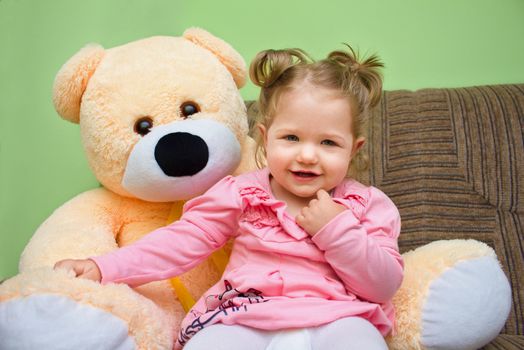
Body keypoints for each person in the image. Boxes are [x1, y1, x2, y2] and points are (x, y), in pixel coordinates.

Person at [55, 45, 403, 350]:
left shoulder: (367, 205)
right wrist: (104, 267)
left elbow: (384, 285)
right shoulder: (241, 193)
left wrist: (337, 229)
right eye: (291, 138)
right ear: (265, 139)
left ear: (353, 149)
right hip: (246, 315)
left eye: (328, 143)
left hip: (337, 317)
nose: (307, 155)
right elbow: (180, 242)